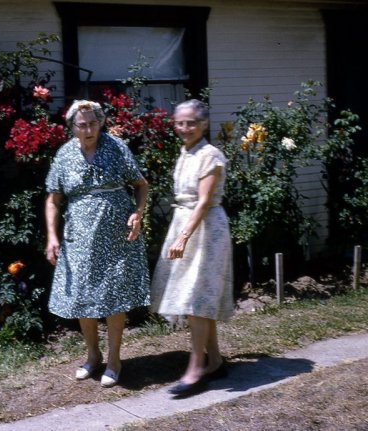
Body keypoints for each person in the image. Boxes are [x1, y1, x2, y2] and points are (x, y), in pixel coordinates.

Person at [44, 99, 150, 388]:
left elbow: (141, 185)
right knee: (82, 297)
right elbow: (53, 199)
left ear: (101, 122)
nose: (89, 129)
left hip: (116, 235)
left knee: (114, 295)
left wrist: (137, 214)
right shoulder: (64, 155)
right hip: (78, 236)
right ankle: (93, 356)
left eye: (93, 123)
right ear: (72, 127)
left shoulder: (116, 147)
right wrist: (52, 236)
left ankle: (115, 361)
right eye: (82, 124)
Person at [150, 99, 234, 396]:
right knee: (196, 296)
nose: (184, 128)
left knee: (196, 297)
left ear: (204, 124)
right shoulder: (186, 152)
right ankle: (216, 361)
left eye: (190, 123)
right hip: (185, 222)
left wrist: (183, 237)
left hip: (206, 229)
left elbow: (203, 201)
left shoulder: (211, 155)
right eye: (179, 122)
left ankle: (196, 368)